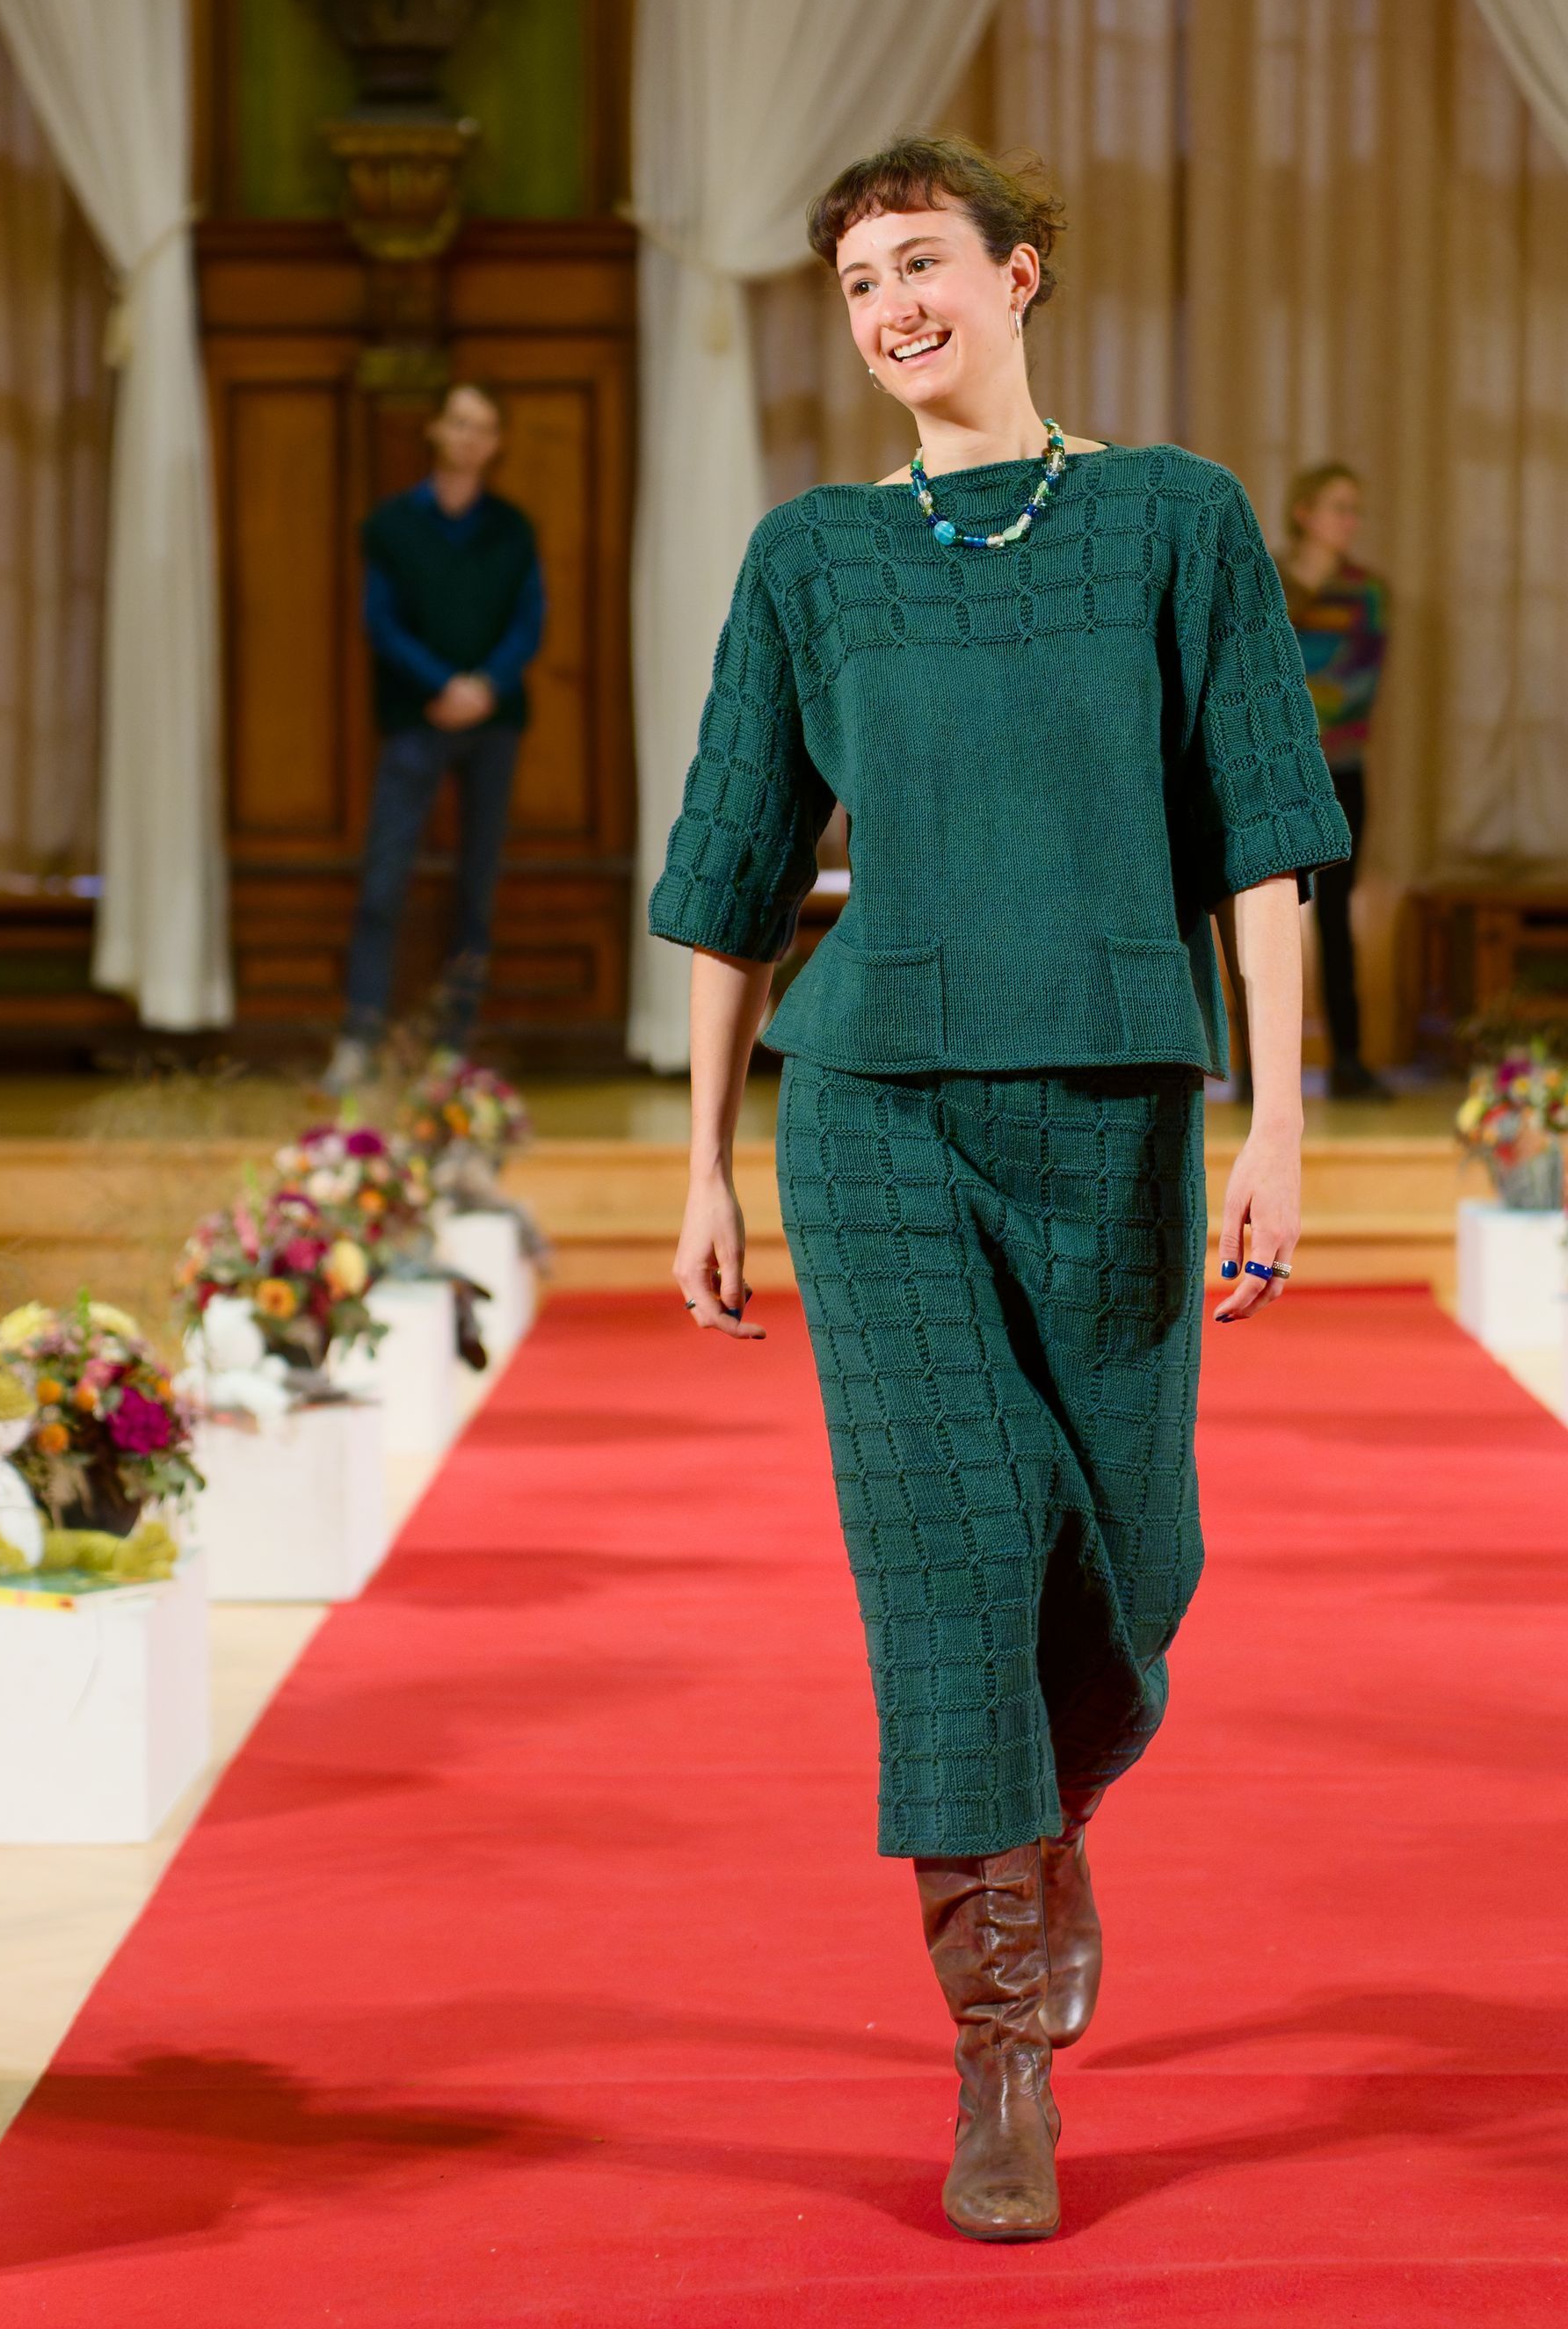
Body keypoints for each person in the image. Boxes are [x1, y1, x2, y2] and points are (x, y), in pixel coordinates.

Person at [648, 137, 1350, 2244]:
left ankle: (1036, 1818)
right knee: (950, 1553)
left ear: (1019, 273)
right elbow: (729, 868)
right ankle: (1002, 2049)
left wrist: (1282, 1124)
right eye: (860, 281)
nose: (893, 307)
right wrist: (701, 1162)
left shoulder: (1175, 520)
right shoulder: (812, 557)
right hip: (872, 1109)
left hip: (1115, 1107)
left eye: (923, 262)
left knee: (1134, 1556)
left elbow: (1268, 834)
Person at [324, 383, 542, 1092]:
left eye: (484, 427)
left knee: (477, 886)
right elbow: (381, 623)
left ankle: (451, 1049)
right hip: (415, 721)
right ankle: (359, 1037)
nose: (469, 437)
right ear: (437, 430)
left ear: (496, 443)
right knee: (383, 881)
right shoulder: (391, 525)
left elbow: (529, 623)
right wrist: (443, 685)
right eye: (459, 422)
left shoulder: (512, 527)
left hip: (494, 724)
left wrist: (485, 687)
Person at [1276, 462, 1390, 1099]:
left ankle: (1347, 1060)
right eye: (1339, 507)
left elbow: (1355, 687)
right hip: (1272, 772)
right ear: (1305, 513)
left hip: (1340, 772)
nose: (1350, 521)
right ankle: (1258, 1072)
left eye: (1356, 510)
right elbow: (1240, 667)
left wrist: (1287, 699)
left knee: (1338, 915)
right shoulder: (1264, 579)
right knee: (1262, 911)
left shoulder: (1368, 593)